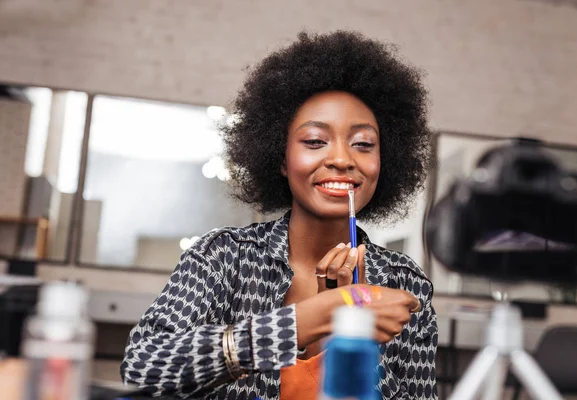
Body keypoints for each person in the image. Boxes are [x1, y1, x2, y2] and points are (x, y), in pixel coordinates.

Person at [120, 30, 438, 400]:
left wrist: (341, 340)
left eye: (363, 144)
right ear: (281, 159)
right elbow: (142, 367)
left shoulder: (405, 285)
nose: (341, 159)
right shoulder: (224, 258)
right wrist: (306, 320)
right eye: (315, 141)